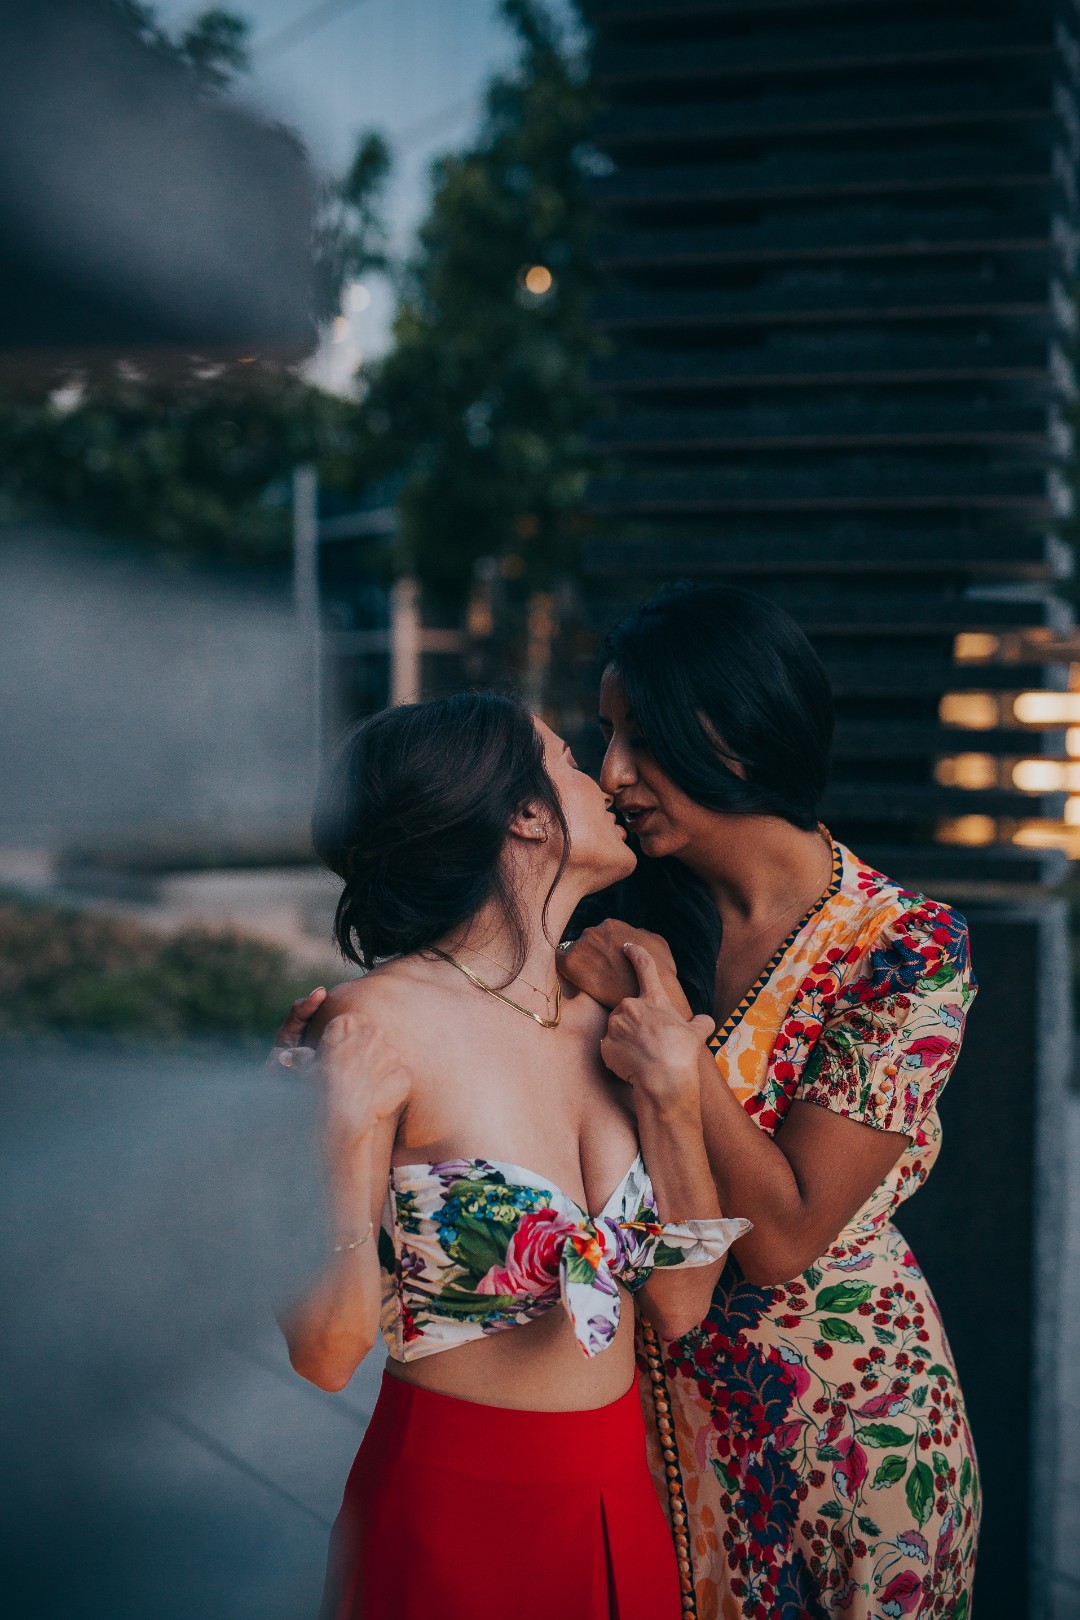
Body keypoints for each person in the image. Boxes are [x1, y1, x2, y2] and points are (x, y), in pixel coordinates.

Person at [555, 584, 981, 1620]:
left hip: (849, 1422)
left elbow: (783, 1236)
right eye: (607, 735)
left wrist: (675, 1050)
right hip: (649, 1409)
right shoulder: (622, 909)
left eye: (644, 738)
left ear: (739, 737)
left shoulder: (908, 947)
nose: (613, 774)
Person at [277, 691, 749, 1620]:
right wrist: (331, 1143)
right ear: (526, 814)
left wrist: (674, 1091)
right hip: (454, 1509)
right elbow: (327, 1356)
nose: (603, 777)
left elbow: (683, 1300)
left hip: (621, 1498)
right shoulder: (373, 1022)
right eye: (571, 762)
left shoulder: (611, 1021)